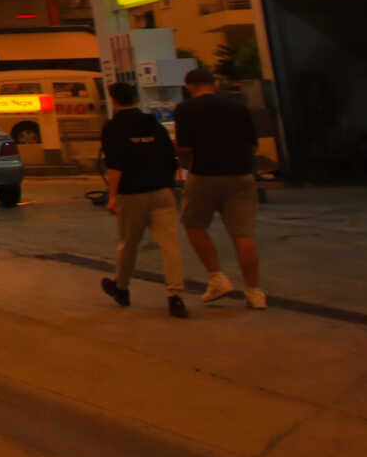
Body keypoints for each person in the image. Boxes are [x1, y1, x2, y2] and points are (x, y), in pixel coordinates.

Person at [173, 65, 267, 310]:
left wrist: (186, 167)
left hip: (204, 174)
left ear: (188, 87)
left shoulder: (185, 109)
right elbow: (252, 144)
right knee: (243, 235)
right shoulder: (238, 107)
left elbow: (183, 149)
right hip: (242, 175)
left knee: (193, 224)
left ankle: (217, 278)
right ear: (213, 84)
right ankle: (255, 293)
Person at [97, 79, 186, 317]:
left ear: (113, 101)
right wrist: (169, 184)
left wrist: (112, 196)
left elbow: (115, 166)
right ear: (135, 98)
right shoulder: (152, 123)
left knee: (128, 243)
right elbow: (171, 157)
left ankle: (122, 287)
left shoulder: (113, 127)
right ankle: (175, 296)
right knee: (169, 245)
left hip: (132, 194)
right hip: (161, 192)